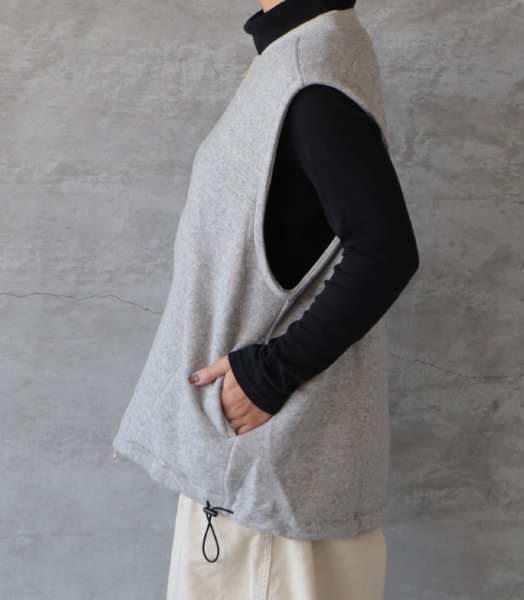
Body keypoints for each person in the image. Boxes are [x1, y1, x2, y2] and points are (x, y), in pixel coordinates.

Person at [112, 0, 419, 598]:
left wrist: (268, 376)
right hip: (249, 474)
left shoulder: (310, 72)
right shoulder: (296, 57)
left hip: (268, 488)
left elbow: (385, 251)